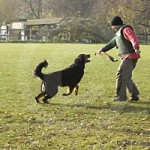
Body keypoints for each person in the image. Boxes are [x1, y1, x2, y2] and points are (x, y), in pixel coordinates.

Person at [95, 16, 141, 101]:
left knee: (121, 75)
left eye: (112, 26)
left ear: (115, 24)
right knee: (126, 76)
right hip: (127, 57)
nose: (112, 28)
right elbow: (111, 43)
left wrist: (136, 47)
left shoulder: (126, 29)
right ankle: (134, 95)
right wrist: (101, 50)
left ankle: (121, 96)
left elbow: (133, 38)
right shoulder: (118, 34)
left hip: (130, 56)